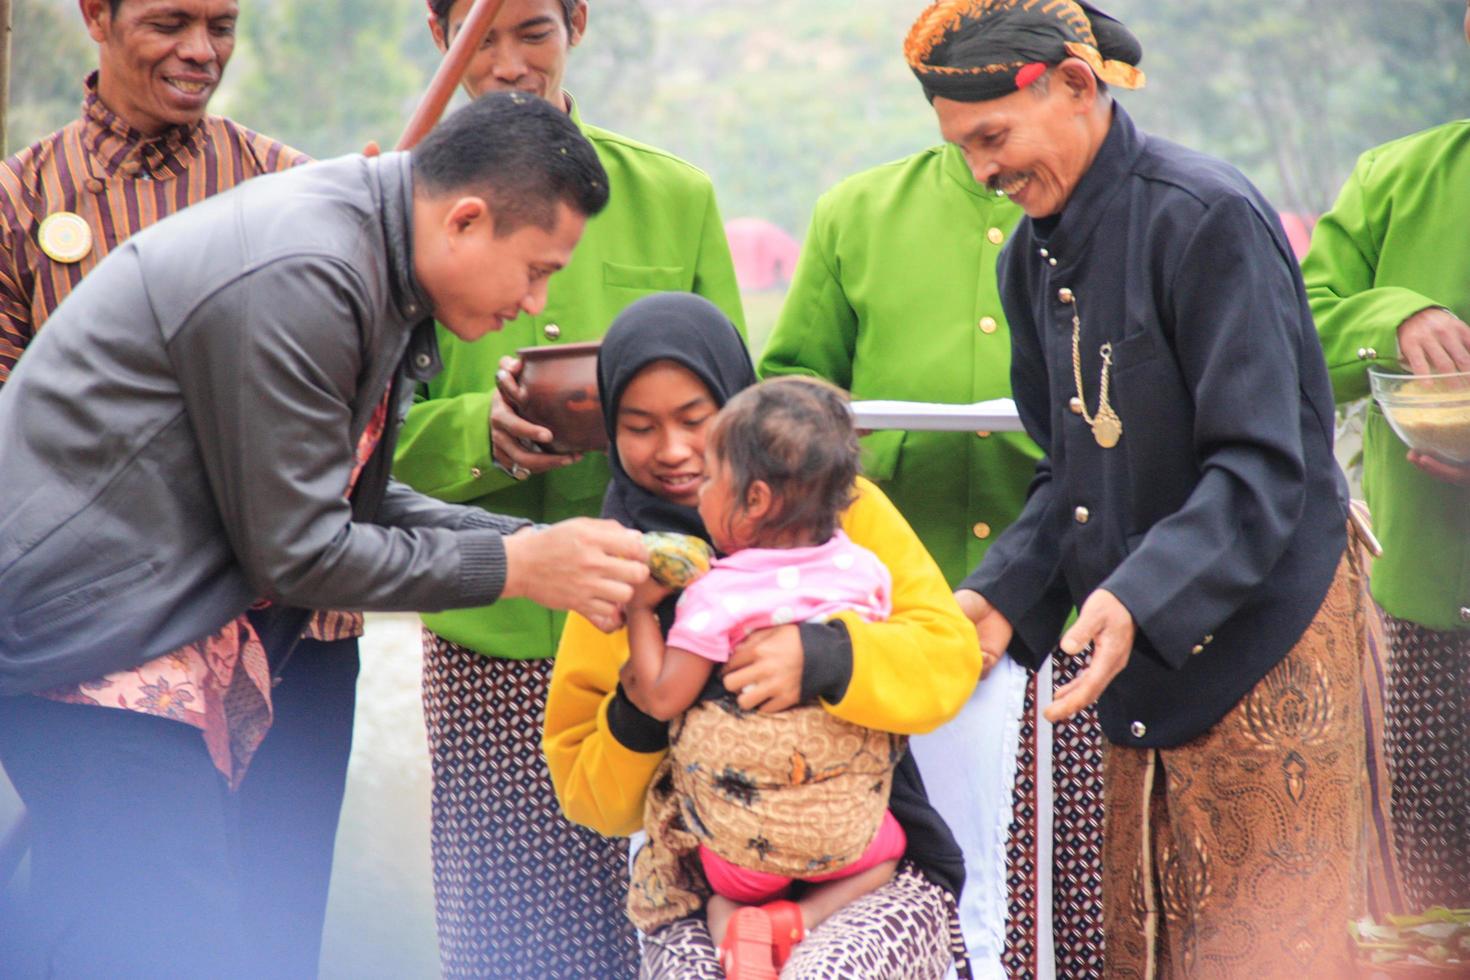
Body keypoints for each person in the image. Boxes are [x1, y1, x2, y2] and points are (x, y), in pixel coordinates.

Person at [0, 93, 652, 977]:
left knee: (114, 931)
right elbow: (301, 553)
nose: (534, 301)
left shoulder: (370, 259)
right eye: (535, 270)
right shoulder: (310, 272)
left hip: (147, 628)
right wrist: (517, 564)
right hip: (86, 639)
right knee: (174, 942)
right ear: (466, 219)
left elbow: (353, 499)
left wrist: (543, 548)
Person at [904, 1, 1369, 975]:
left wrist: (1131, 594)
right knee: (1147, 936)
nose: (982, 171)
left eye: (993, 137)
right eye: (962, 149)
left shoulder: (1207, 216)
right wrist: (994, 597)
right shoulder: (1027, 258)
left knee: (1266, 942)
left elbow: (1262, 461)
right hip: (1135, 641)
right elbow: (1069, 473)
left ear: (1077, 86)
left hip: (1266, 637)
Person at [0, 2, 374, 972]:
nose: (201, 52)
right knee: (116, 921)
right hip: (98, 651)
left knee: (274, 921)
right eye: (171, 22)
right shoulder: (21, 201)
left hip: (291, 634)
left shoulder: (295, 188)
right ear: (95, 15)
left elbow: (349, 404)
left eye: (221, 24)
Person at [391, 1, 744, 975]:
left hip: (661, 633)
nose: (507, 65)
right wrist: (481, 435)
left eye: (534, 32)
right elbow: (360, 438)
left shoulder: (677, 196)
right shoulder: (405, 208)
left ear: (579, 22)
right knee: (510, 939)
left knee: (676, 925)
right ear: (440, 36)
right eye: (482, 39)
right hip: (492, 634)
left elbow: (737, 411)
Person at [758, 68, 1102, 978]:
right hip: (888, 621)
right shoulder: (857, 212)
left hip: (1076, 605)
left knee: (1069, 892)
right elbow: (790, 401)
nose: (995, 164)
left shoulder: (1111, 217)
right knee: (911, 878)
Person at [544, 292, 983, 979]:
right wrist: (639, 711)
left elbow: (948, 656)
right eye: (638, 426)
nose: (674, 452)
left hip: (867, 856)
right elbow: (587, 792)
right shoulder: (620, 560)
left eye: (697, 420)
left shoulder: (833, 504)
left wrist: (827, 658)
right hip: (706, 881)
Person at [623, 377, 912, 974]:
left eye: (708, 479)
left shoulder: (717, 594)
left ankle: (736, 927)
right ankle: (802, 921)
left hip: (744, 863)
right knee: (896, 849)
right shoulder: (865, 572)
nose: (697, 493)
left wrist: (638, 610)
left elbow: (660, 697)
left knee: (717, 881)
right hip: (848, 840)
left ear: (753, 500)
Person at [1300, 3, 1470, 912]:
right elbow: (1297, 329)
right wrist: (1392, 319)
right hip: (1433, 592)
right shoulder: (1397, 178)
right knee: (1440, 888)